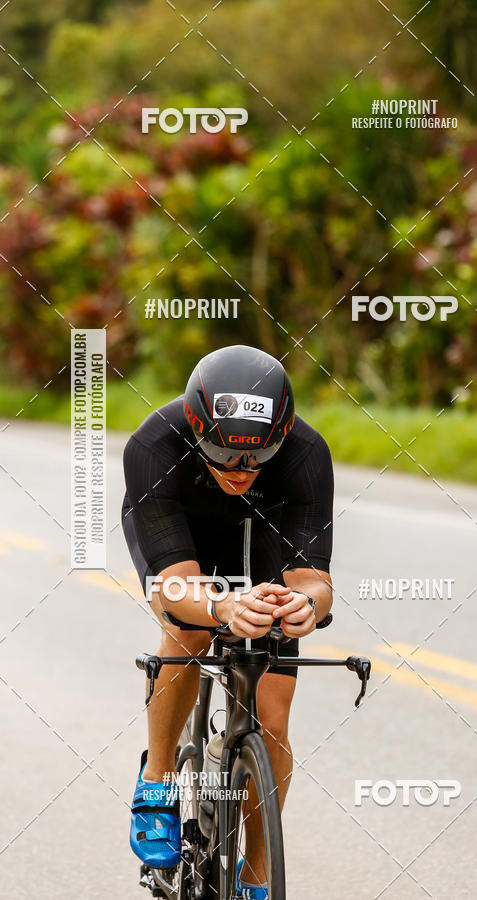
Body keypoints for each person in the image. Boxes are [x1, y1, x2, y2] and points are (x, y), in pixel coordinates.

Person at [122, 344, 334, 898]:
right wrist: (221, 607)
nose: (241, 470)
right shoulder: (153, 445)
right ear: (196, 427)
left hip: (262, 538)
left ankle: (257, 877)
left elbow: (315, 579)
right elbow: (175, 586)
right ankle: (158, 780)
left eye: (259, 456)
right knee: (188, 628)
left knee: (274, 720)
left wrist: (305, 605)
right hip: (183, 532)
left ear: (282, 435)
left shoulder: (307, 454)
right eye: (222, 453)